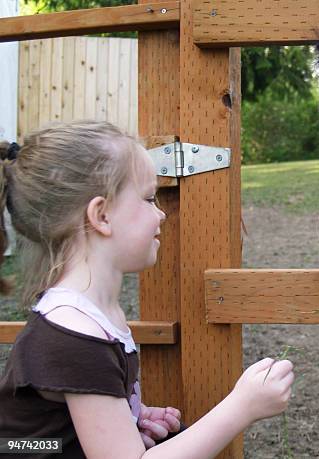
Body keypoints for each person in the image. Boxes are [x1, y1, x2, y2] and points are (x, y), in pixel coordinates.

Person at [0, 120, 294, 458]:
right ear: (102, 215)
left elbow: (44, 437)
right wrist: (241, 408)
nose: (161, 215)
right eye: (149, 198)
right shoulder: (75, 334)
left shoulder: (91, 313)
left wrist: (124, 420)